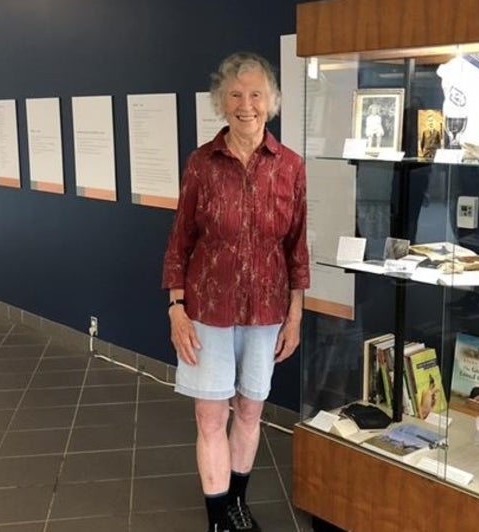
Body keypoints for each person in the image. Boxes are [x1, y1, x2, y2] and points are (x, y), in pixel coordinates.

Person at [163, 52, 310, 532]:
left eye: (256, 95)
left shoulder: (290, 167)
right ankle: (217, 518)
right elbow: (181, 238)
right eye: (236, 95)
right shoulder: (202, 164)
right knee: (210, 418)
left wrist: (296, 313)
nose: (247, 105)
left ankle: (237, 505)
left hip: (267, 311)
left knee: (250, 410)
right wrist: (176, 307)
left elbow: (297, 245)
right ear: (222, 104)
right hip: (207, 309)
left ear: (272, 102)